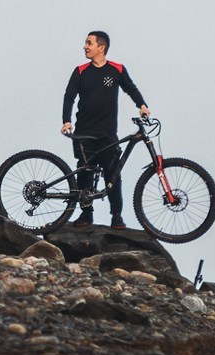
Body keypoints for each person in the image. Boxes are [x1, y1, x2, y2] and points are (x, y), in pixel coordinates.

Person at [59, 30, 149, 228]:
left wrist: (142, 105)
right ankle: (86, 214)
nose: (85, 47)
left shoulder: (117, 69)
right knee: (85, 171)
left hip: (108, 133)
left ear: (101, 47)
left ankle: (116, 216)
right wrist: (66, 120)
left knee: (113, 173)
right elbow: (69, 96)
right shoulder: (80, 71)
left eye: (89, 43)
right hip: (84, 132)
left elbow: (131, 88)